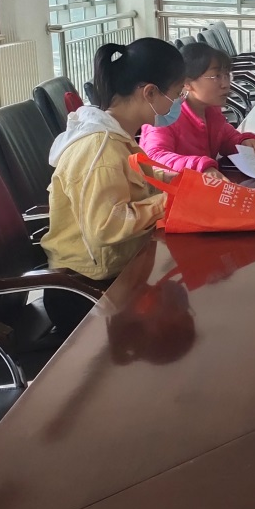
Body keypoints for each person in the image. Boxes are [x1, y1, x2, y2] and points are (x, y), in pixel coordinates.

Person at [41, 38, 186, 335]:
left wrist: (181, 182)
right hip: (86, 291)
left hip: (121, 273)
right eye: (176, 95)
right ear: (149, 92)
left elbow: (144, 178)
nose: (178, 104)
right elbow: (105, 226)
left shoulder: (118, 136)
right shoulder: (100, 148)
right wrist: (168, 202)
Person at [140, 42, 255, 173]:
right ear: (187, 83)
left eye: (227, 75)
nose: (225, 84)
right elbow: (155, 158)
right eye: (216, 76)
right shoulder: (164, 116)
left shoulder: (210, 111)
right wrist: (200, 166)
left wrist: (243, 142)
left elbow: (225, 137)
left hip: (203, 184)